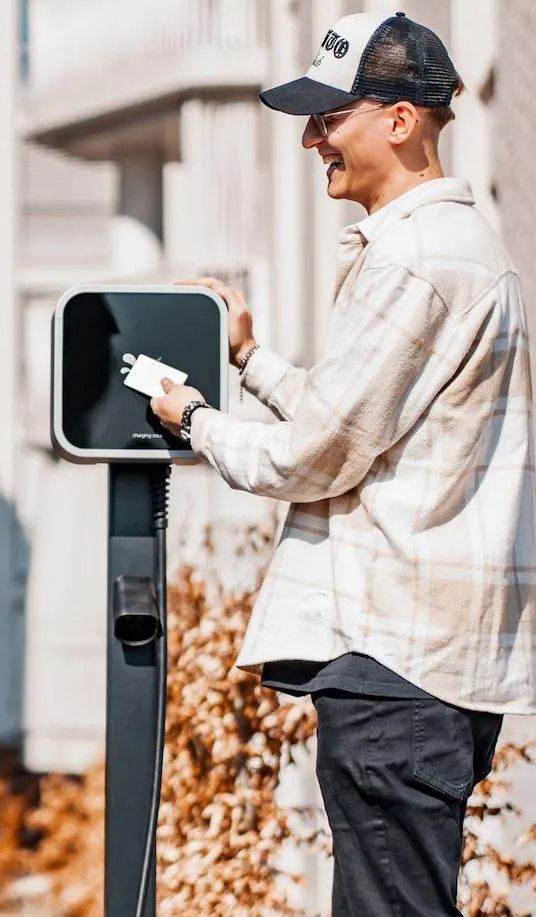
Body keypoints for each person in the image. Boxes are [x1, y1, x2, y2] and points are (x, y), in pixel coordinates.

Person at [151, 12, 533, 915]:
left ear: (400, 120)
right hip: (424, 666)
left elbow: (315, 455)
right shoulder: (452, 252)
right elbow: (357, 425)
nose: (311, 136)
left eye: (330, 114)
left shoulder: (418, 259)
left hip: (400, 662)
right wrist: (249, 360)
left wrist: (193, 418)